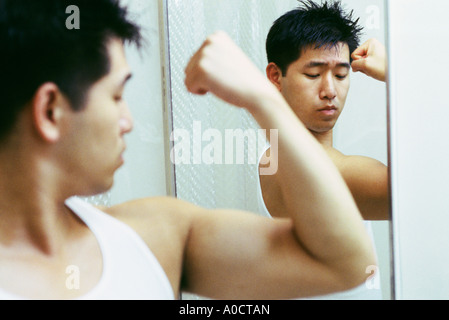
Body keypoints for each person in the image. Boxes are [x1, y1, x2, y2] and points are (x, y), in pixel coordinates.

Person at [0, 0, 375, 300]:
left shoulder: (157, 236)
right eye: (116, 95)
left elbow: (344, 264)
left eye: (340, 75)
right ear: (51, 110)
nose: (128, 120)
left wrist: (263, 101)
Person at [259, 0, 388, 299]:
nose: (330, 90)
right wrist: (395, 72)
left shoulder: (274, 155)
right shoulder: (322, 169)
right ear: (276, 76)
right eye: (314, 74)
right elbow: (423, 195)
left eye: (341, 75)